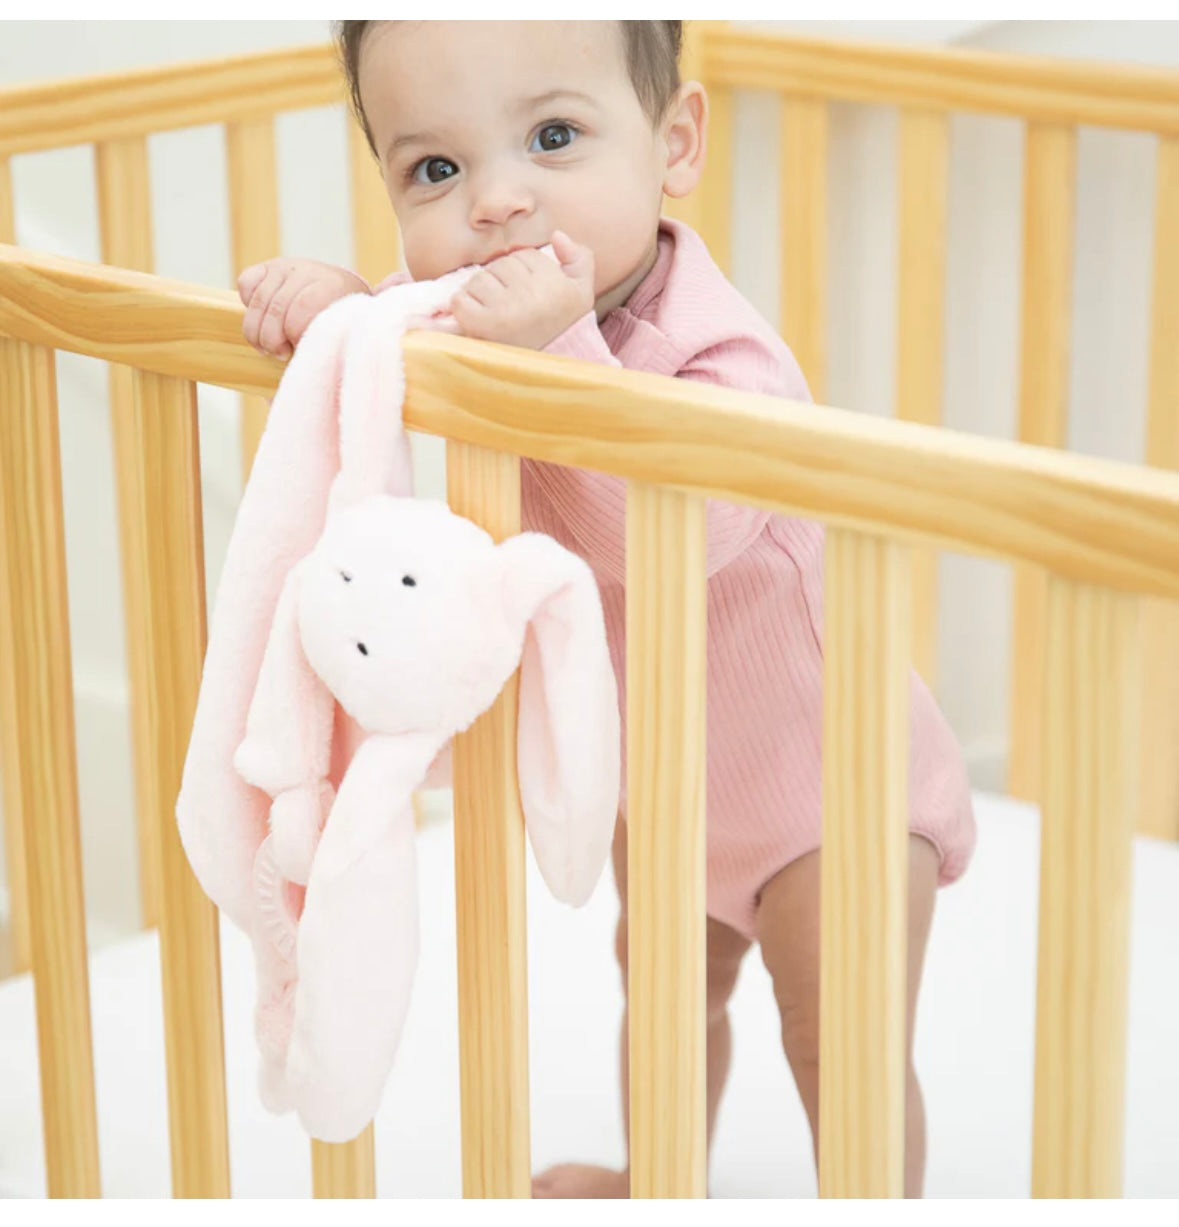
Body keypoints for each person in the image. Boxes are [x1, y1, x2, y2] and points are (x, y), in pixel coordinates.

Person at [237, 20, 977, 1198]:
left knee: (837, 1042)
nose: (495, 201)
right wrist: (342, 313)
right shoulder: (479, 319)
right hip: (671, 786)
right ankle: (657, 1180)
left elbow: (683, 534)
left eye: (552, 137)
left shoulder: (721, 351)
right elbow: (386, 347)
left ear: (672, 144)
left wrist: (565, 352)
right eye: (437, 168)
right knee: (672, 1006)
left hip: (837, 791)